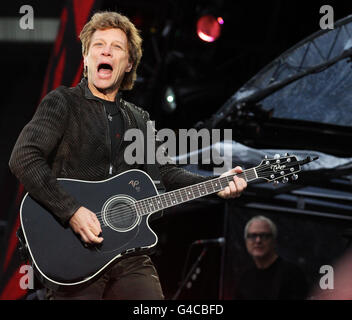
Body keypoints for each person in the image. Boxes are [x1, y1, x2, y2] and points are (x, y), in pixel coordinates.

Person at [8, 11, 247, 300]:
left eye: (116, 47)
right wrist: (71, 210)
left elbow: (166, 173)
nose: (106, 50)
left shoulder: (139, 119)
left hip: (130, 257)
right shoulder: (63, 103)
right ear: (86, 59)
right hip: (74, 253)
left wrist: (216, 184)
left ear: (128, 64)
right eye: (98, 45)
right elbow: (24, 156)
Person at [235, 215, 308, 300]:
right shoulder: (246, 278)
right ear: (246, 241)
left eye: (264, 236)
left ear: (274, 240)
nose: (258, 241)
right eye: (253, 236)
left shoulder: (292, 274)